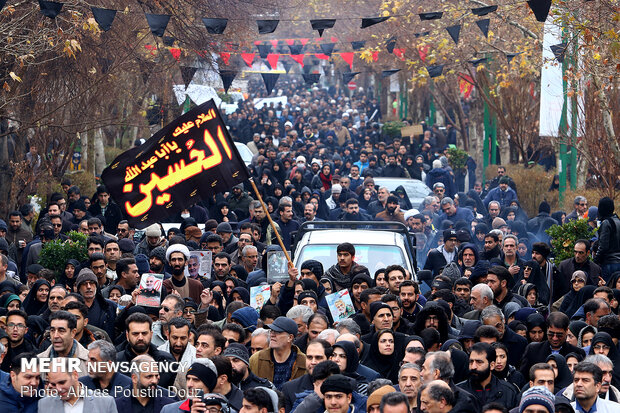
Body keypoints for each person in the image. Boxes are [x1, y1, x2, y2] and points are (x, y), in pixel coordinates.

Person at [520, 312, 586, 377]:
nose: (555, 338)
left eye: (559, 335)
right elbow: (524, 376)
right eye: (551, 334)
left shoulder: (577, 353)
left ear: (566, 331)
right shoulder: (533, 350)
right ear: (547, 329)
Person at [39, 357, 118, 412]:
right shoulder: (44, 404)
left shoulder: (105, 402)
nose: (58, 388)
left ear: (75, 375)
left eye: (62, 382)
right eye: (53, 384)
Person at [248, 316, 307, 390]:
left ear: (290, 337)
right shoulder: (256, 359)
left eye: (278, 332)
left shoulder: (304, 362)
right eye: (271, 331)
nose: (272, 335)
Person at [457, 342, 518, 409]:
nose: (473, 366)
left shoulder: (508, 392)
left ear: (492, 365)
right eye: (471, 362)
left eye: (479, 362)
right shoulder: (458, 391)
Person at [593, 197, 620, 279]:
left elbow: (603, 246)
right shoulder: (618, 221)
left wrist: (595, 260)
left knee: (607, 289)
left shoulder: (606, 223)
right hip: (618, 262)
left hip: (609, 263)